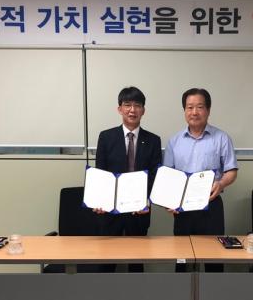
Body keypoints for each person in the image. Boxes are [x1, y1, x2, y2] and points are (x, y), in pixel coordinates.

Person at [164, 88, 238, 272]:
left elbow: (231, 171)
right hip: (182, 210)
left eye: (199, 107)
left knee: (214, 260)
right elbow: (168, 176)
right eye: (190, 107)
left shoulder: (221, 138)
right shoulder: (174, 141)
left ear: (208, 110)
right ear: (184, 110)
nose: (194, 112)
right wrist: (169, 201)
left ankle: (215, 290)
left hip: (211, 206)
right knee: (182, 260)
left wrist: (221, 183)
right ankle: (182, 289)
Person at [94, 86, 162, 272]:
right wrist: (99, 200)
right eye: (127, 105)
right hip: (110, 211)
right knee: (106, 263)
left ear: (143, 110)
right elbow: (101, 173)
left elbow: (155, 175)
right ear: (119, 109)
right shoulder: (106, 137)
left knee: (136, 264)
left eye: (137, 105)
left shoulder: (153, 140)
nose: (132, 110)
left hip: (139, 211)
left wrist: (147, 201)